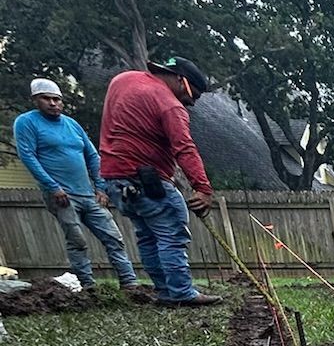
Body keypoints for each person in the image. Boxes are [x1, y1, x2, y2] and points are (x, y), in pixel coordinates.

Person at [98, 57, 223, 308]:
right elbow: (185, 149)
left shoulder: (122, 81)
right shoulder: (169, 105)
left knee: (147, 235)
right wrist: (203, 188)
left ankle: (166, 290)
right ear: (180, 79)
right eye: (193, 95)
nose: (191, 103)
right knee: (172, 233)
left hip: (115, 179)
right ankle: (180, 292)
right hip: (146, 180)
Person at [11, 78, 142, 295]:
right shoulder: (26, 123)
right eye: (47, 99)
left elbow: (92, 155)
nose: (53, 103)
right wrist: (52, 187)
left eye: (57, 99)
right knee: (77, 240)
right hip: (62, 194)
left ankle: (129, 283)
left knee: (113, 236)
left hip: (88, 193)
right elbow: (28, 156)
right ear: (36, 100)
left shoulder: (72, 125)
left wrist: (101, 186)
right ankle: (88, 286)